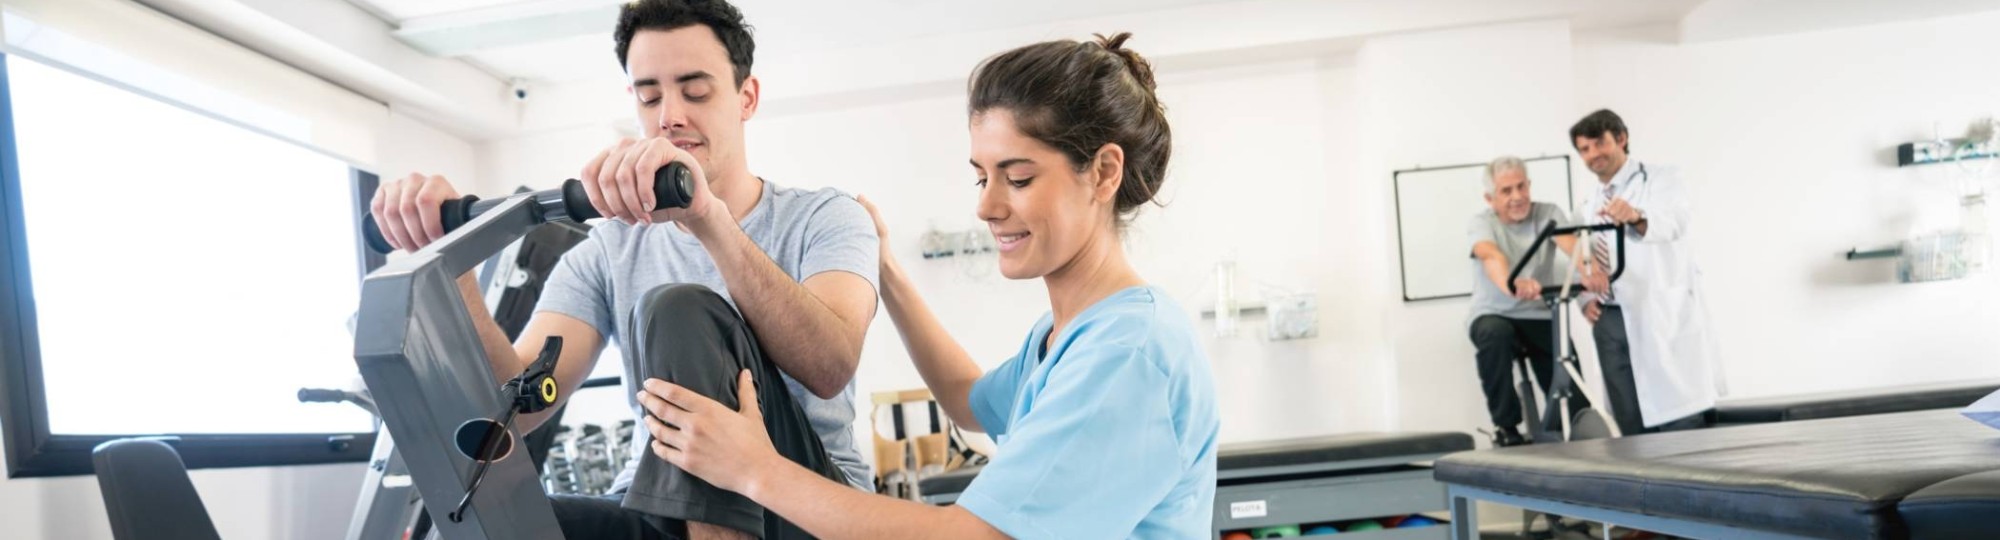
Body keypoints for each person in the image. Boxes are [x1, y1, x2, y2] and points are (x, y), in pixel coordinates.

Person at [628, 33, 1222, 538]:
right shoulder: (1065, 334)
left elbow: (975, 535)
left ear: (1104, 172)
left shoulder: (1128, 351)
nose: (988, 206)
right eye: (981, 177)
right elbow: (966, 400)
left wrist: (754, 469)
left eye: (1017, 178)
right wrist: (885, 270)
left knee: (682, 313)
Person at [369, 1, 880, 538]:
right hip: (657, 510)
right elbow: (515, 406)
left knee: (677, 308)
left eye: (696, 90)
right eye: (650, 94)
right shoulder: (608, 249)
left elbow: (829, 367)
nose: (670, 115)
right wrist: (456, 264)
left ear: (745, 97)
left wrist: (707, 218)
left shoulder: (826, 217)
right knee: (498, 527)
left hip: (806, 501)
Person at [1570, 108, 1722, 435]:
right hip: (1609, 317)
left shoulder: (1662, 179)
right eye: (1585, 149)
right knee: (1629, 422)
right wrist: (1585, 298)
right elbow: (1580, 255)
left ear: (1621, 139)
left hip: (1659, 311)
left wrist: (1636, 216)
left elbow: (1675, 221)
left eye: (1599, 144)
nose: (1593, 155)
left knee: (1678, 419)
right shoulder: (1588, 201)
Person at [1466, 156, 1588, 446]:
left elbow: (1573, 247)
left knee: (1569, 380)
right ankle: (1506, 428)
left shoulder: (1548, 213)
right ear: (1490, 198)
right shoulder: (1481, 223)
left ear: (1529, 185)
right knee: (1495, 334)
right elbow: (1491, 255)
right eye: (1506, 191)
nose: (1517, 197)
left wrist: (1589, 271)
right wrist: (1513, 284)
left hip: (1538, 314)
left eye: (1521, 187)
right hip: (1495, 312)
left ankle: (1568, 430)